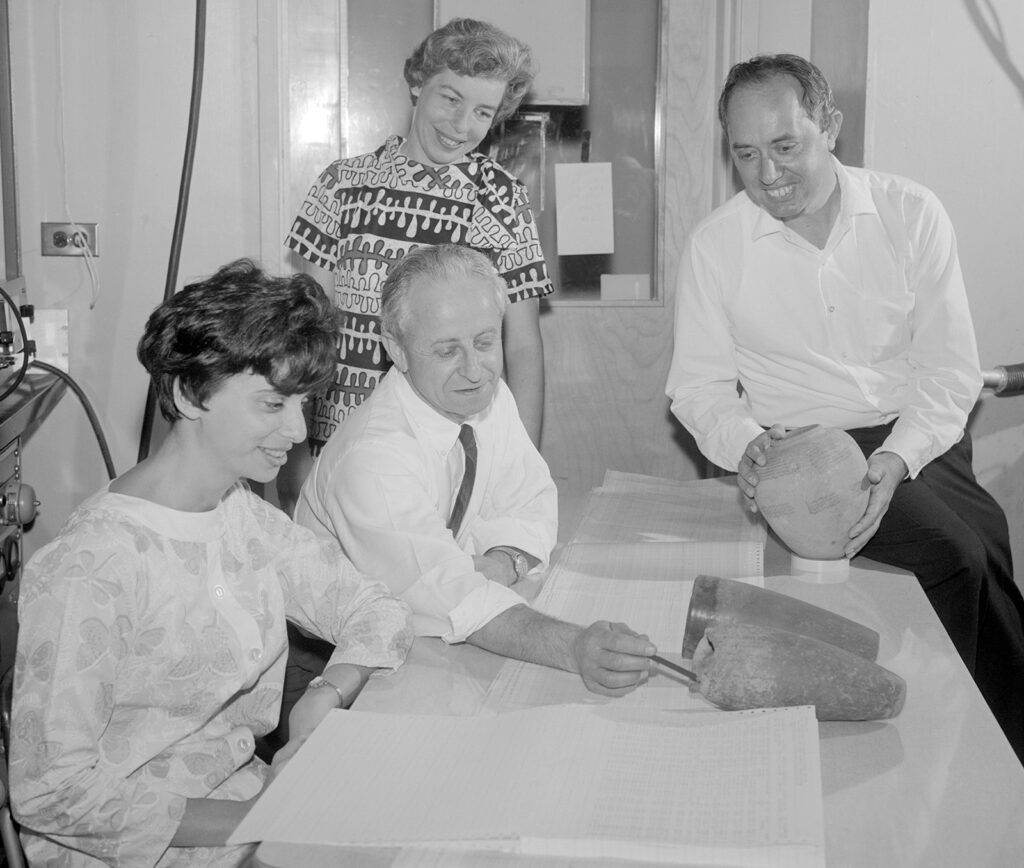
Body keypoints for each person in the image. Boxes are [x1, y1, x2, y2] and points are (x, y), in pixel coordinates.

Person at [665, 54, 1024, 761]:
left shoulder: (909, 212)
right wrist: (747, 447)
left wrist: (897, 457)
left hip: (919, 435)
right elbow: (698, 390)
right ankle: (945, 746)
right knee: (950, 557)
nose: (767, 175)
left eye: (785, 146)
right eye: (744, 155)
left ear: (830, 127)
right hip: (804, 451)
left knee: (989, 552)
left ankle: (998, 745)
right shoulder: (717, 247)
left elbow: (948, 369)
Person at [8, 260, 413, 867]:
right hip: (136, 846)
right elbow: (51, 796)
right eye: (272, 404)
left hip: (246, 802)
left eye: (303, 404)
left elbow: (374, 610)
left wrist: (322, 698)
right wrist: (260, 817)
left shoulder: (237, 514)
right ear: (188, 394)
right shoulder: (91, 566)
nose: (297, 429)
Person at [292, 243, 656, 706]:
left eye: (485, 342)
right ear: (396, 350)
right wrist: (573, 646)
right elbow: (449, 598)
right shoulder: (373, 459)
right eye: (446, 350)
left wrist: (503, 561)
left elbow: (531, 500)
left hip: (426, 634)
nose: (474, 370)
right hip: (331, 666)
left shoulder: (483, 395)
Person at [278, 16, 553, 515]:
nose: (461, 125)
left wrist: (520, 468)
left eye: (482, 111)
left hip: (450, 440)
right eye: (451, 98)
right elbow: (302, 334)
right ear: (417, 83)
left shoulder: (503, 202)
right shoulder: (342, 185)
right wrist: (294, 466)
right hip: (339, 428)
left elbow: (523, 344)